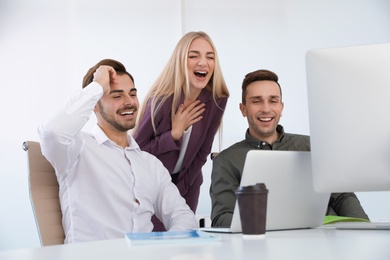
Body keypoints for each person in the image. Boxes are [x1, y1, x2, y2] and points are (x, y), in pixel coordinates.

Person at [38, 59, 197, 243]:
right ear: (95, 105)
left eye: (132, 94)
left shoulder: (150, 164)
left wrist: (165, 248)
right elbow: (51, 132)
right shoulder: (76, 149)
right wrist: (97, 86)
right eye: (117, 96)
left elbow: (183, 216)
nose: (129, 102)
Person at [209, 69, 369, 227]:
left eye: (273, 100)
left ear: (281, 107)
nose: (266, 109)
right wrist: (269, 222)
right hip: (265, 247)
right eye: (256, 101)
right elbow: (221, 218)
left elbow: (342, 196)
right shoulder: (226, 161)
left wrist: (364, 230)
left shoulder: (311, 147)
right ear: (243, 109)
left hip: (324, 240)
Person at [133, 31, 230, 231]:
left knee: (183, 246)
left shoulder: (216, 101)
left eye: (209, 57)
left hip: (188, 185)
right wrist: (173, 135)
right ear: (180, 61)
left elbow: (203, 152)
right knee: (156, 247)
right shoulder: (160, 101)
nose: (203, 62)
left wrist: (181, 189)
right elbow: (135, 153)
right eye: (194, 56)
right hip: (154, 190)